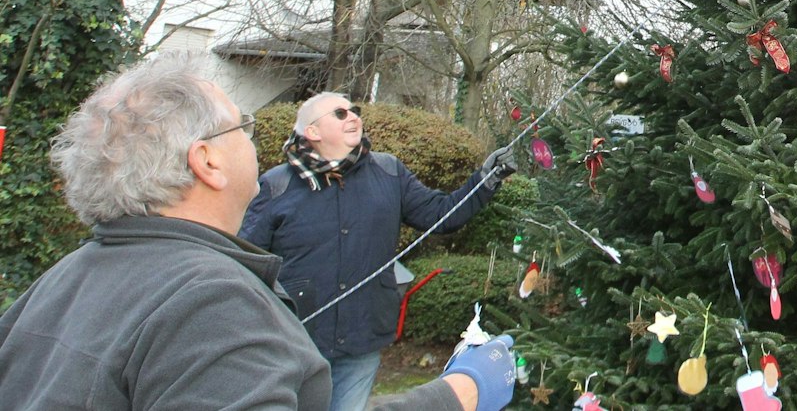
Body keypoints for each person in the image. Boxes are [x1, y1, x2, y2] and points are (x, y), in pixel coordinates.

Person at [0, 56, 513, 411]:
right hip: (305, 335)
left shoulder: (55, 283)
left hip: (360, 334)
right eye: (240, 125)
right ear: (206, 162)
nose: (252, 135)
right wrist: (460, 393)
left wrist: (486, 178)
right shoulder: (214, 306)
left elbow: (442, 215)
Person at [242, 92, 516, 411]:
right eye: (340, 114)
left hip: (363, 340)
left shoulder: (388, 172)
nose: (354, 117)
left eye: (355, 111)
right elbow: (249, 261)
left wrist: (485, 180)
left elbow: (440, 215)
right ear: (312, 132)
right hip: (295, 345)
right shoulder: (276, 186)